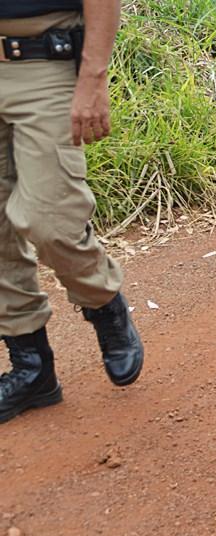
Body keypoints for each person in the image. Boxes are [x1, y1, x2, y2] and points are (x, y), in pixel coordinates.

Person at [0, 0, 144, 424]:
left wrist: (93, 78)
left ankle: (102, 301)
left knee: (51, 221)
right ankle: (32, 368)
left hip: (44, 62)